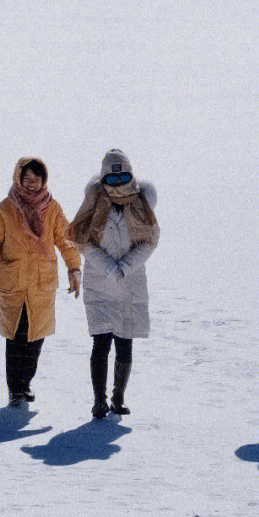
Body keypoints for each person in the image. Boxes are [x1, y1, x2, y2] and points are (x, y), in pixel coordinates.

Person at [0, 156, 81, 407]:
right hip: (13, 283)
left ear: (43, 180)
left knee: (36, 336)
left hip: (41, 284)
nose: (32, 184)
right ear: (18, 179)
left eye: (36, 179)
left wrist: (74, 267)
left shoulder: (52, 208)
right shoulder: (5, 209)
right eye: (27, 179)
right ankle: (15, 388)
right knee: (16, 336)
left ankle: (26, 383)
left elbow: (66, 240)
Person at [68, 148, 159, 418]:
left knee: (125, 341)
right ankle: (99, 400)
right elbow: (83, 242)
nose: (118, 186)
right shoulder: (94, 204)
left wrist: (126, 266)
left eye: (123, 178)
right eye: (112, 179)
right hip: (100, 284)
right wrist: (109, 267)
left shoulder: (141, 205)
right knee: (101, 342)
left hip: (130, 284)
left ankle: (118, 397)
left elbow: (150, 241)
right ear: (104, 179)